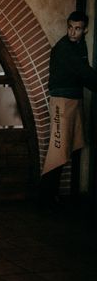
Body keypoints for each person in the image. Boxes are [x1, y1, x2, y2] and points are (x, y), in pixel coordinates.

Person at [41, 11, 97, 207]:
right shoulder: (64, 48)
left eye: (78, 28)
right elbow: (84, 73)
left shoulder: (79, 46)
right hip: (62, 102)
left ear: (85, 30)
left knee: (74, 145)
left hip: (75, 100)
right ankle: (46, 199)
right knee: (58, 150)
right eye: (70, 27)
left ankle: (61, 196)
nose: (73, 32)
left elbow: (85, 73)